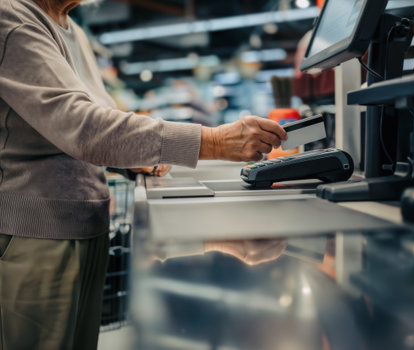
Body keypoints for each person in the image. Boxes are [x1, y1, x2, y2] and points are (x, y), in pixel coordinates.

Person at [0, 0, 287, 349]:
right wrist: (211, 140)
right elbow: (80, 126)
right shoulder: (11, 17)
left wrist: (134, 158)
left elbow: (99, 119)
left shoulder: (72, 29)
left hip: (86, 227)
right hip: (34, 236)